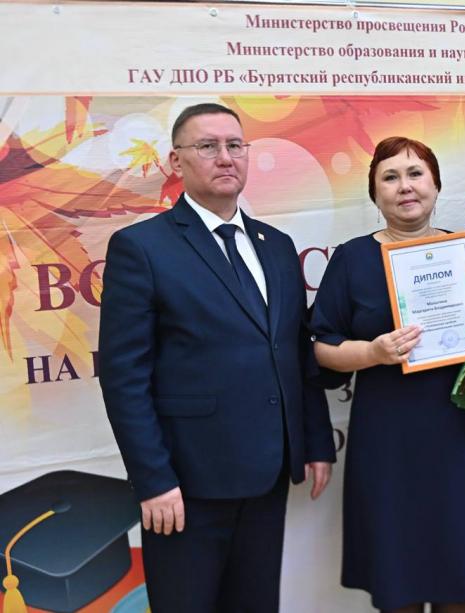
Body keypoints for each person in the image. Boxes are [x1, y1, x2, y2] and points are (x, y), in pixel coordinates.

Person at [98, 103, 336, 613]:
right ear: (176, 161)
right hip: (187, 486)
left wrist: (316, 440)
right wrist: (154, 480)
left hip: (268, 474)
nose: (225, 157)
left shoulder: (277, 245)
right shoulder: (142, 248)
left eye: (235, 145)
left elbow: (295, 351)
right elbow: (123, 378)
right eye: (207, 146)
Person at [311, 136, 465, 613]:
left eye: (415, 174)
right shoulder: (351, 259)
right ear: (375, 193)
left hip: (464, 436)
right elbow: (321, 348)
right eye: (390, 177)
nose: (404, 186)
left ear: (436, 185)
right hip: (390, 445)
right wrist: (372, 351)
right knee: (398, 581)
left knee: (460, 580)